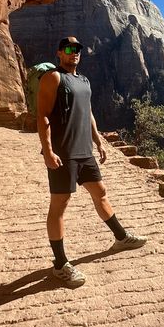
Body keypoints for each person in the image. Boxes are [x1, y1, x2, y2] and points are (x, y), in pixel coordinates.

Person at [37, 36, 147, 287]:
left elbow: (89, 114)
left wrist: (99, 143)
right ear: (59, 53)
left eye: (77, 49)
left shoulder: (84, 81)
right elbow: (42, 116)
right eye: (68, 49)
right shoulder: (53, 78)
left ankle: (121, 238)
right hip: (63, 154)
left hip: (85, 151)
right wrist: (48, 150)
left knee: (101, 193)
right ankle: (60, 264)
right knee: (60, 205)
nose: (73, 52)